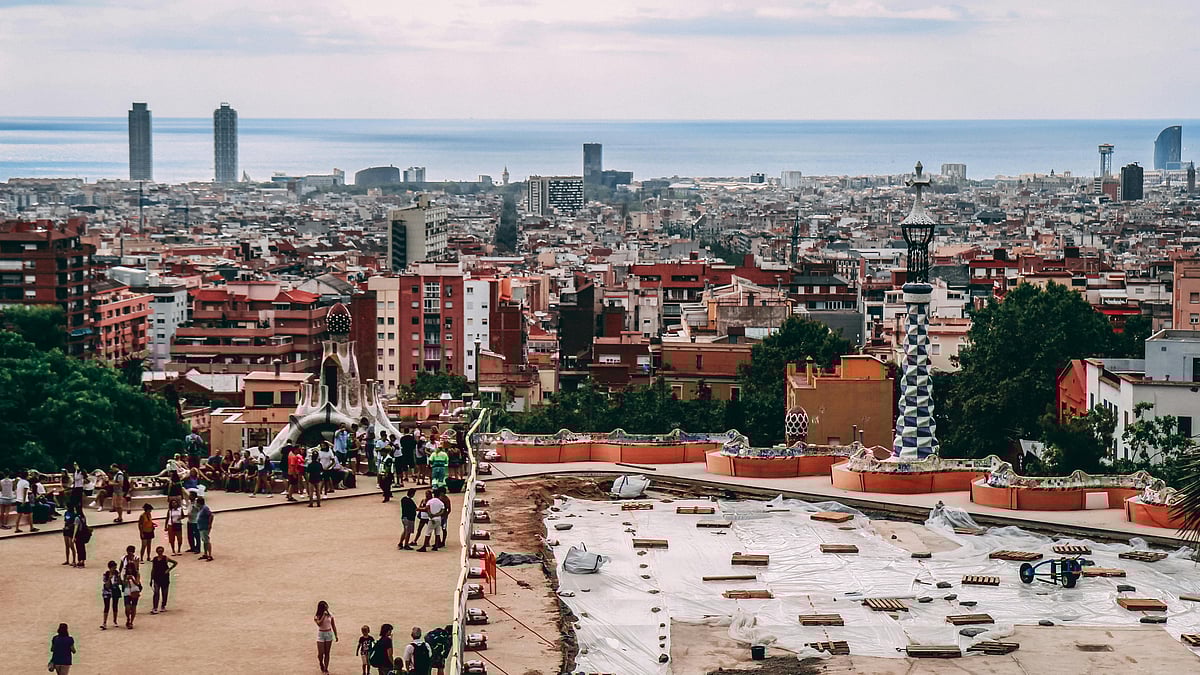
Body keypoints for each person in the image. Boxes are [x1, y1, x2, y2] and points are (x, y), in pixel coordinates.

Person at [148, 546, 178, 614]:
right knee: (156, 592)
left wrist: (169, 569)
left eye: (161, 551)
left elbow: (175, 563)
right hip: (156, 577)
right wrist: (151, 579)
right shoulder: (155, 559)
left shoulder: (166, 558)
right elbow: (153, 569)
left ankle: (163, 606)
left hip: (164, 577)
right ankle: (155, 607)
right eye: (159, 551)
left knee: (165, 593)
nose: (160, 552)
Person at [313, 600, 338, 675]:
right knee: (321, 653)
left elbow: (333, 625)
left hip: (328, 634)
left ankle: (326, 668)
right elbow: (319, 624)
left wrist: (336, 635)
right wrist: (323, 616)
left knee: (327, 653)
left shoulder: (330, 615)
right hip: (321, 634)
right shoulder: (316, 616)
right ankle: (321, 662)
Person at [101, 561, 121, 630]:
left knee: (115, 606)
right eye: (113, 567)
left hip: (115, 590)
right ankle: (104, 622)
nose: (114, 569)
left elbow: (119, 583)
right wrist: (109, 578)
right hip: (107, 591)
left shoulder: (117, 573)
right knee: (106, 606)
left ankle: (115, 621)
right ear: (110, 568)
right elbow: (107, 585)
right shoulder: (106, 574)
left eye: (115, 567)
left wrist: (118, 577)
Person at [195, 496, 214, 561]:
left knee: (207, 541)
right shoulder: (200, 508)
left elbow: (211, 515)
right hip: (201, 527)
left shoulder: (205, 508)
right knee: (204, 541)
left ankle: (210, 555)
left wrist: (209, 525)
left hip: (205, 527)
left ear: (199, 503)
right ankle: (205, 554)